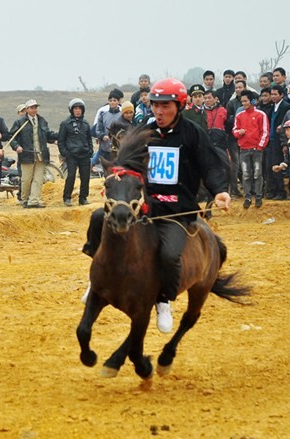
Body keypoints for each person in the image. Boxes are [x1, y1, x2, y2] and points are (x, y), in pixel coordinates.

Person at [83, 78, 230, 333]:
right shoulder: (144, 129)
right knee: (99, 218)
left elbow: (210, 164)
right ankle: (96, 282)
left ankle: (163, 299)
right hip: (144, 204)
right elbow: (126, 161)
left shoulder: (193, 133)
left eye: (166, 106)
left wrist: (220, 191)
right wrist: (117, 176)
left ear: (180, 106)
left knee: (170, 254)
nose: (159, 112)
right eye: (155, 106)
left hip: (176, 210)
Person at [9, 99, 58, 208]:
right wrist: (16, 146)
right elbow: (12, 137)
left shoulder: (42, 121)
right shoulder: (20, 122)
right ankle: (25, 200)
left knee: (38, 179)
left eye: (35, 107)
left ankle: (34, 201)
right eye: (31, 107)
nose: (34, 109)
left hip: (41, 155)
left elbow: (46, 134)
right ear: (26, 109)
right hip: (26, 155)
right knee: (26, 180)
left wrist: (55, 139)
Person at [233, 91, 269, 208]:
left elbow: (265, 131)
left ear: (252, 101)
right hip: (243, 149)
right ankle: (247, 197)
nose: (244, 103)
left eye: (246, 101)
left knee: (257, 173)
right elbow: (234, 130)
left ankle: (258, 196)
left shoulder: (261, 114)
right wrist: (239, 133)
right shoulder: (239, 115)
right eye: (242, 101)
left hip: (256, 149)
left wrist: (260, 146)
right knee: (246, 174)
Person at [58, 99, 93, 207]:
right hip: (71, 155)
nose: (78, 111)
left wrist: (90, 150)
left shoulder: (86, 123)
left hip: (84, 155)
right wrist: (65, 153)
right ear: (71, 110)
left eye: (80, 109)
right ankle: (67, 197)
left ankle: (83, 198)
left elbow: (89, 139)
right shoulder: (65, 123)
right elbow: (61, 141)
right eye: (75, 108)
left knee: (85, 177)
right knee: (71, 176)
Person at [266, 85, 290, 200]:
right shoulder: (273, 107)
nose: (273, 96)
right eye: (272, 94)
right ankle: (273, 191)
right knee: (270, 167)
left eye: (275, 94)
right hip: (271, 141)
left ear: (281, 95)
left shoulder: (286, 107)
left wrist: (281, 127)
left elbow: (288, 123)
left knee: (278, 166)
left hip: (280, 141)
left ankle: (281, 192)